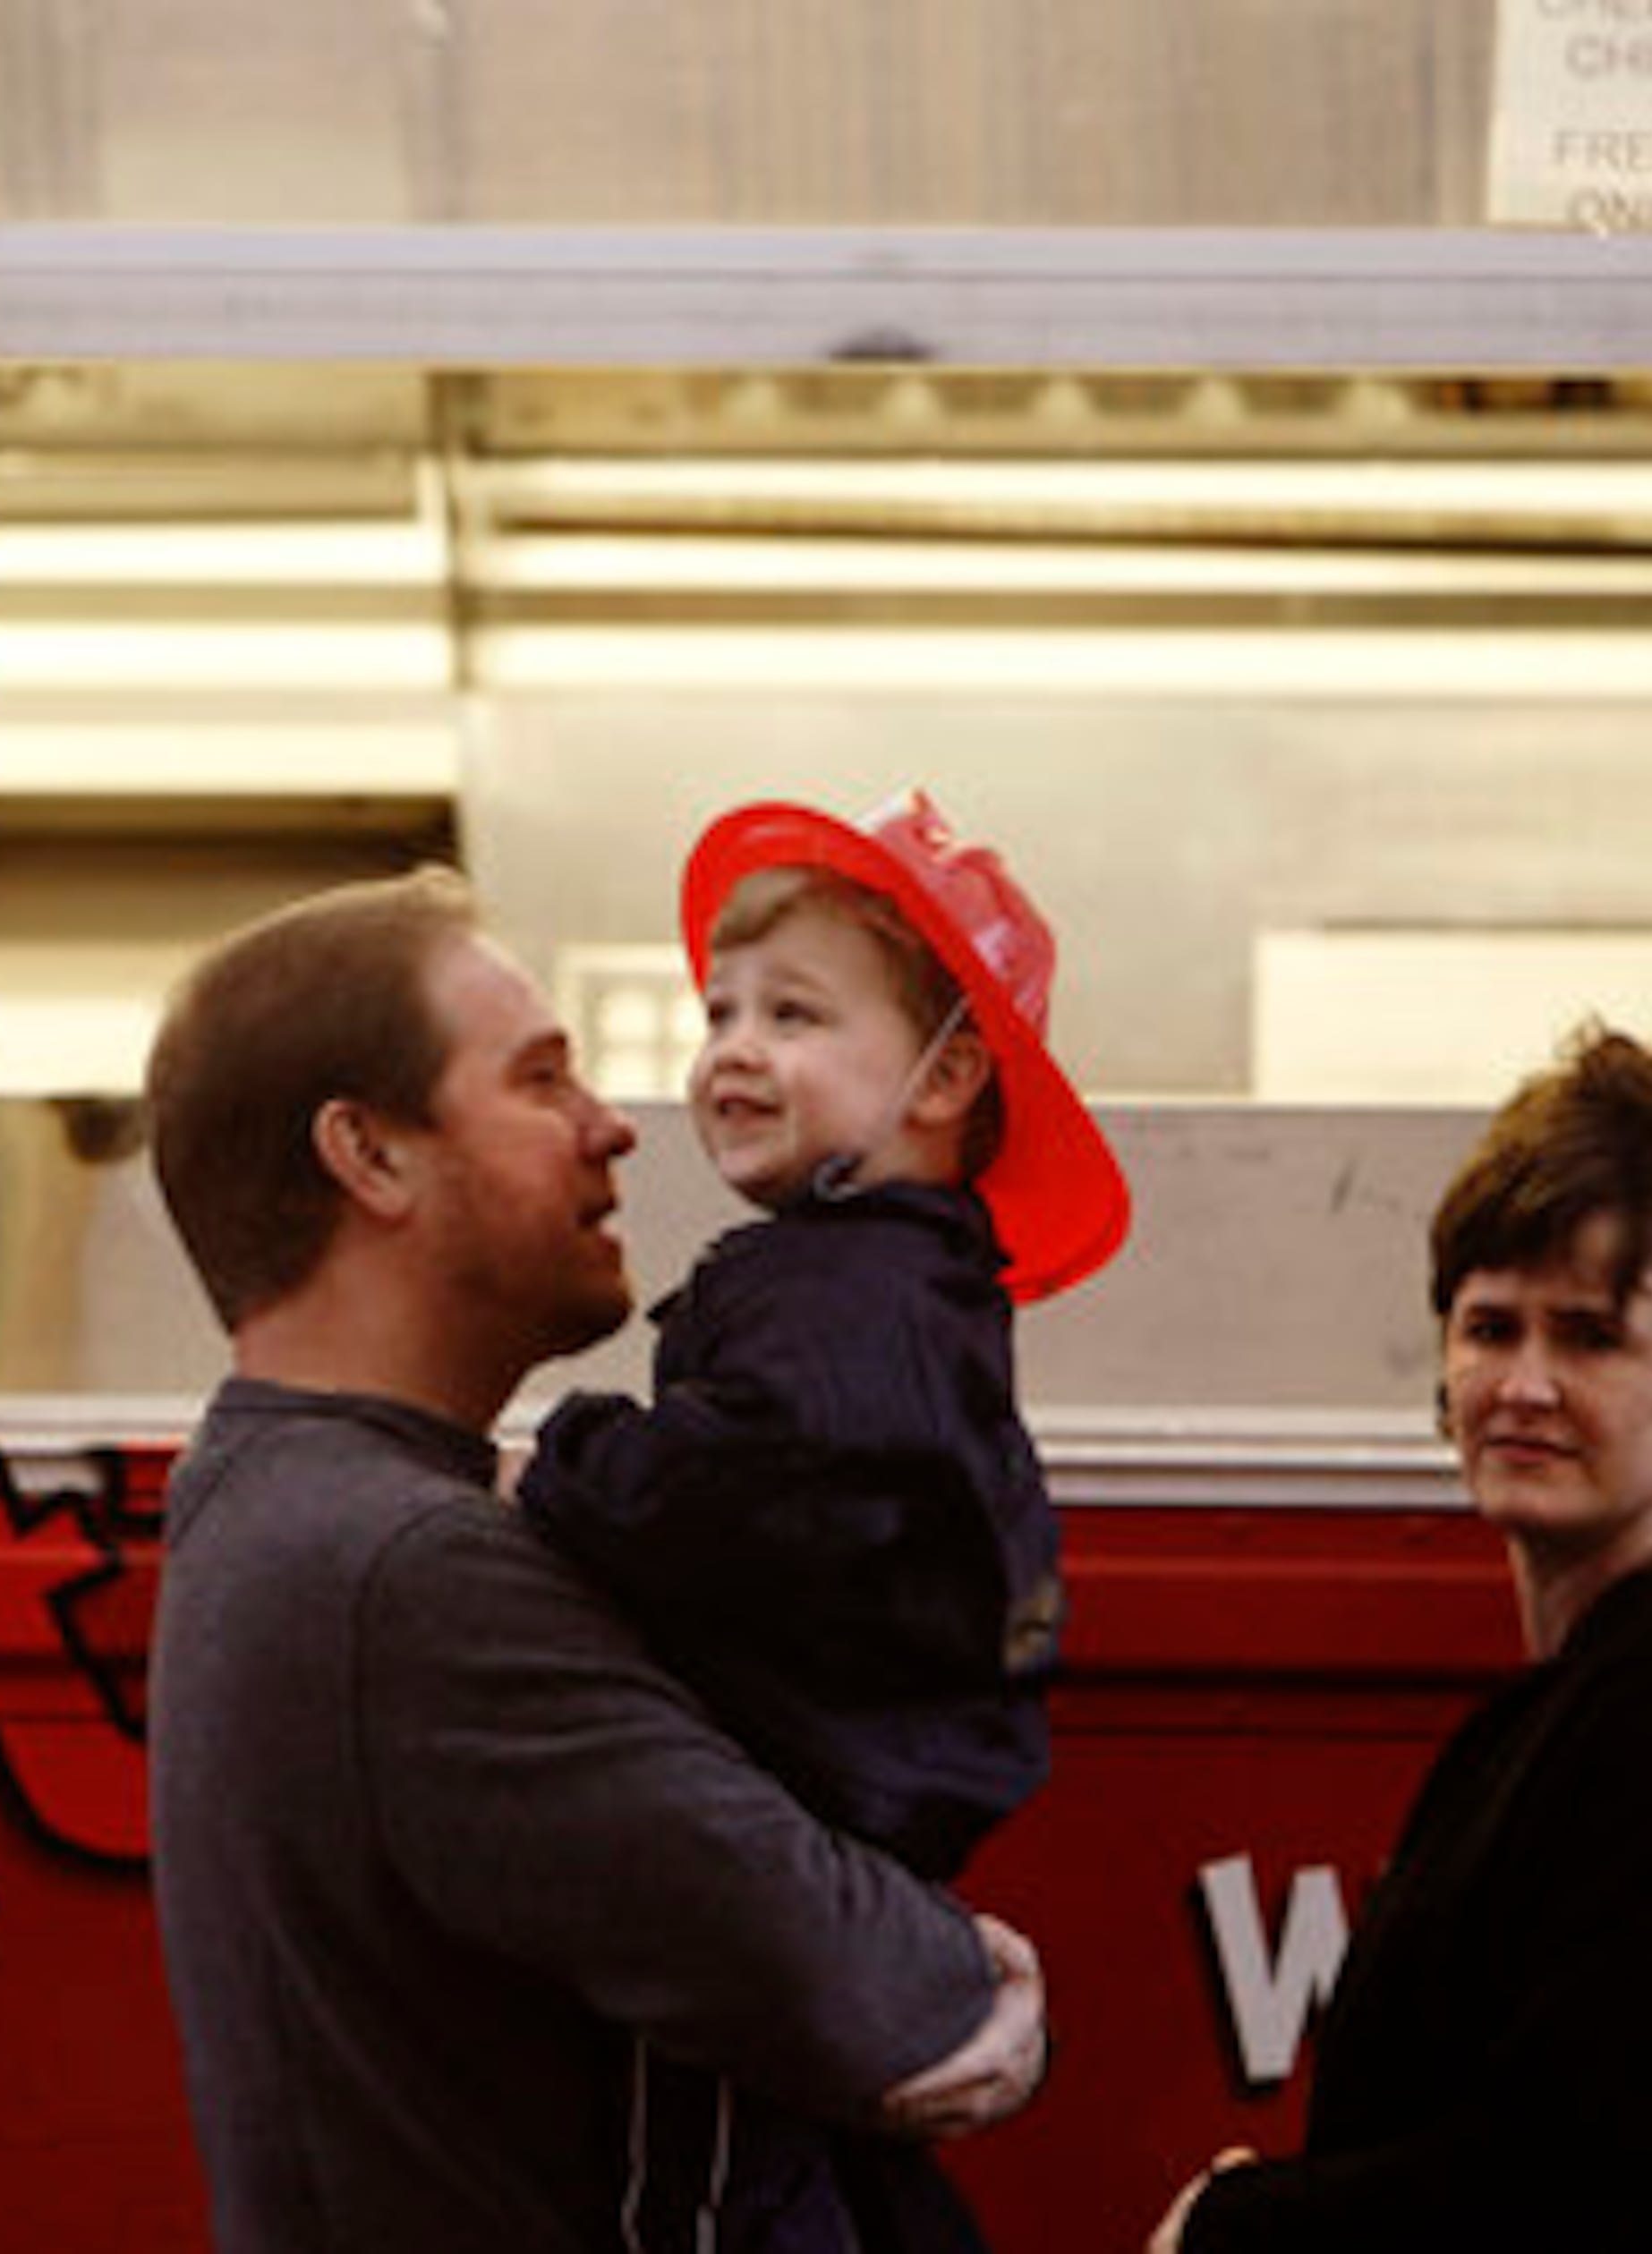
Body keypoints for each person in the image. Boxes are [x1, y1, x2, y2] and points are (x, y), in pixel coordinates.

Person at [143, 865, 1051, 2254]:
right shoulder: (411, 1573)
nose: (616, 1124)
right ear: (369, 1155)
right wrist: (976, 1972)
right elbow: (885, 2001)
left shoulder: (270, 1493)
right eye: (542, 1079)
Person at [1149, 1026, 1652, 2254]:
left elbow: (1556, 2186)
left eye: (1589, 1337)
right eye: (1490, 1328)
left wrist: (1233, 2227)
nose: (1522, 1384)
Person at [516, 792, 1128, 2254]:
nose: (733, 1048)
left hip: (795, 1825)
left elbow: (730, 1490)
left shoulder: (840, 1297)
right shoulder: (915, 1289)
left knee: (707, 2179)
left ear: (946, 1073)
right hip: (868, 1824)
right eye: (721, 1011)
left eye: (793, 1014)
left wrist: (564, 1455)